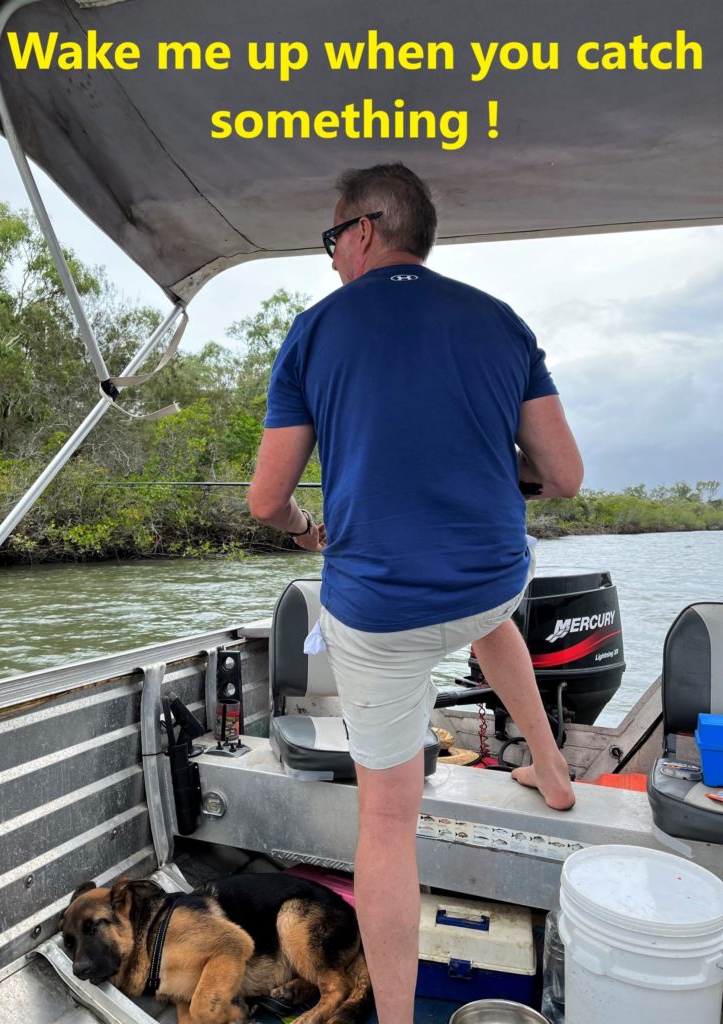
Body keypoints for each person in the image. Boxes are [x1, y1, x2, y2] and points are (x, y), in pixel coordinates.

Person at [247, 163, 583, 1024]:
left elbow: (265, 498)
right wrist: (494, 477)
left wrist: (299, 529)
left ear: (363, 230)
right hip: (488, 581)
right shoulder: (501, 322)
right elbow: (565, 476)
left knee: (389, 825)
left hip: (381, 614)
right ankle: (549, 767)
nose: (330, 259)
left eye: (332, 240)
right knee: (495, 616)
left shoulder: (317, 330)